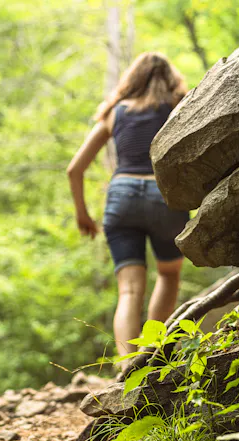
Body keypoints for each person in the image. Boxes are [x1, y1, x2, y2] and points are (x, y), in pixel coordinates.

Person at [66, 52, 189, 371]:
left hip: (121, 197)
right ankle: (153, 354)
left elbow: (74, 169)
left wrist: (83, 214)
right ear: (169, 78)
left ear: (132, 79)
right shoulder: (179, 104)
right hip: (164, 195)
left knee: (130, 289)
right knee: (168, 273)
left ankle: (126, 368)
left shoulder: (114, 113)